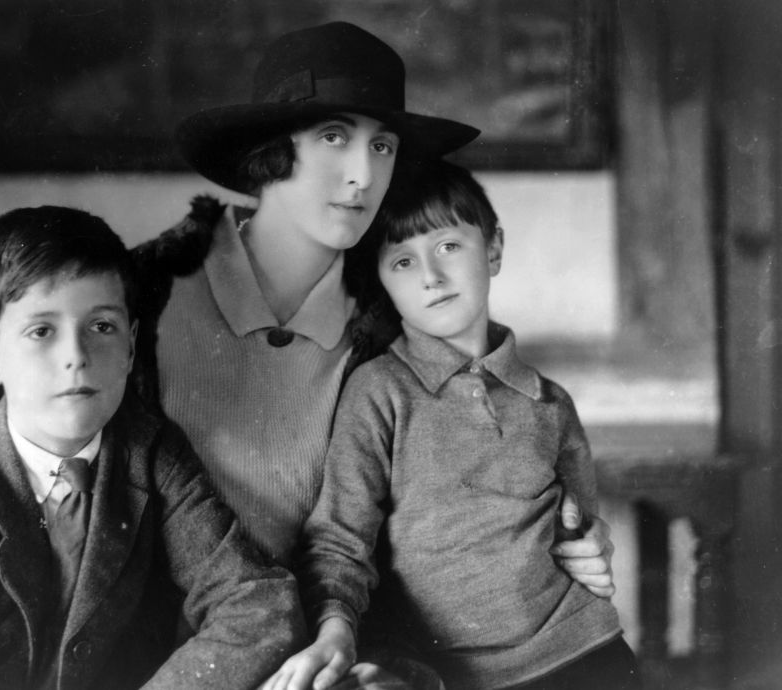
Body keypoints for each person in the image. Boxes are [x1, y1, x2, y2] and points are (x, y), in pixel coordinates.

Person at [0, 21, 616, 685]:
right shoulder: (152, 284)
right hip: (155, 654)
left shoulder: (391, 322)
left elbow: (470, 459)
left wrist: (572, 531)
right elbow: (37, 397)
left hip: (321, 646)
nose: (362, 174)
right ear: (269, 151)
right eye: (334, 138)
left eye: (381, 145)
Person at [0, 206, 305, 690]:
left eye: (102, 327)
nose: (76, 357)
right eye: (41, 331)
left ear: (131, 347)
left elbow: (260, 605)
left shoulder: (151, 452)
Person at [266, 162, 639, 690]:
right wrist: (334, 632)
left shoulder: (550, 402)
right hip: (451, 671)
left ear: (493, 249)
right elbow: (340, 540)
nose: (430, 277)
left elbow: (581, 537)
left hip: (583, 650)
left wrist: (588, 536)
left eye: (447, 246)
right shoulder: (379, 391)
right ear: (382, 282)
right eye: (402, 260)